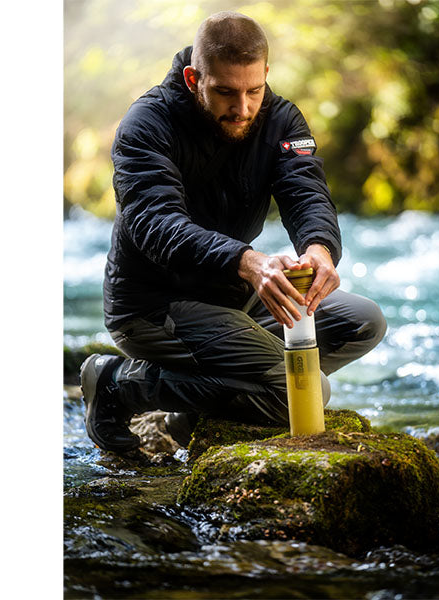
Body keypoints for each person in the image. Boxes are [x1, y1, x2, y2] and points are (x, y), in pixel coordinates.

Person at [81, 11, 387, 454]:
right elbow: (156, 224)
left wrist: (319, 249)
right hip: (154, 305)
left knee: (363, 322)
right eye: (225, 92)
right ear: (193, 79)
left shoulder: (282, 121)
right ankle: (118, 383)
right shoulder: (146, 125)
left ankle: (190, 413)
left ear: (266, 74)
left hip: (232, 296)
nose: (242, 108)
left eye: (254, 90)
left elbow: (306, 194)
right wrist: (248, 262)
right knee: (301, 392)